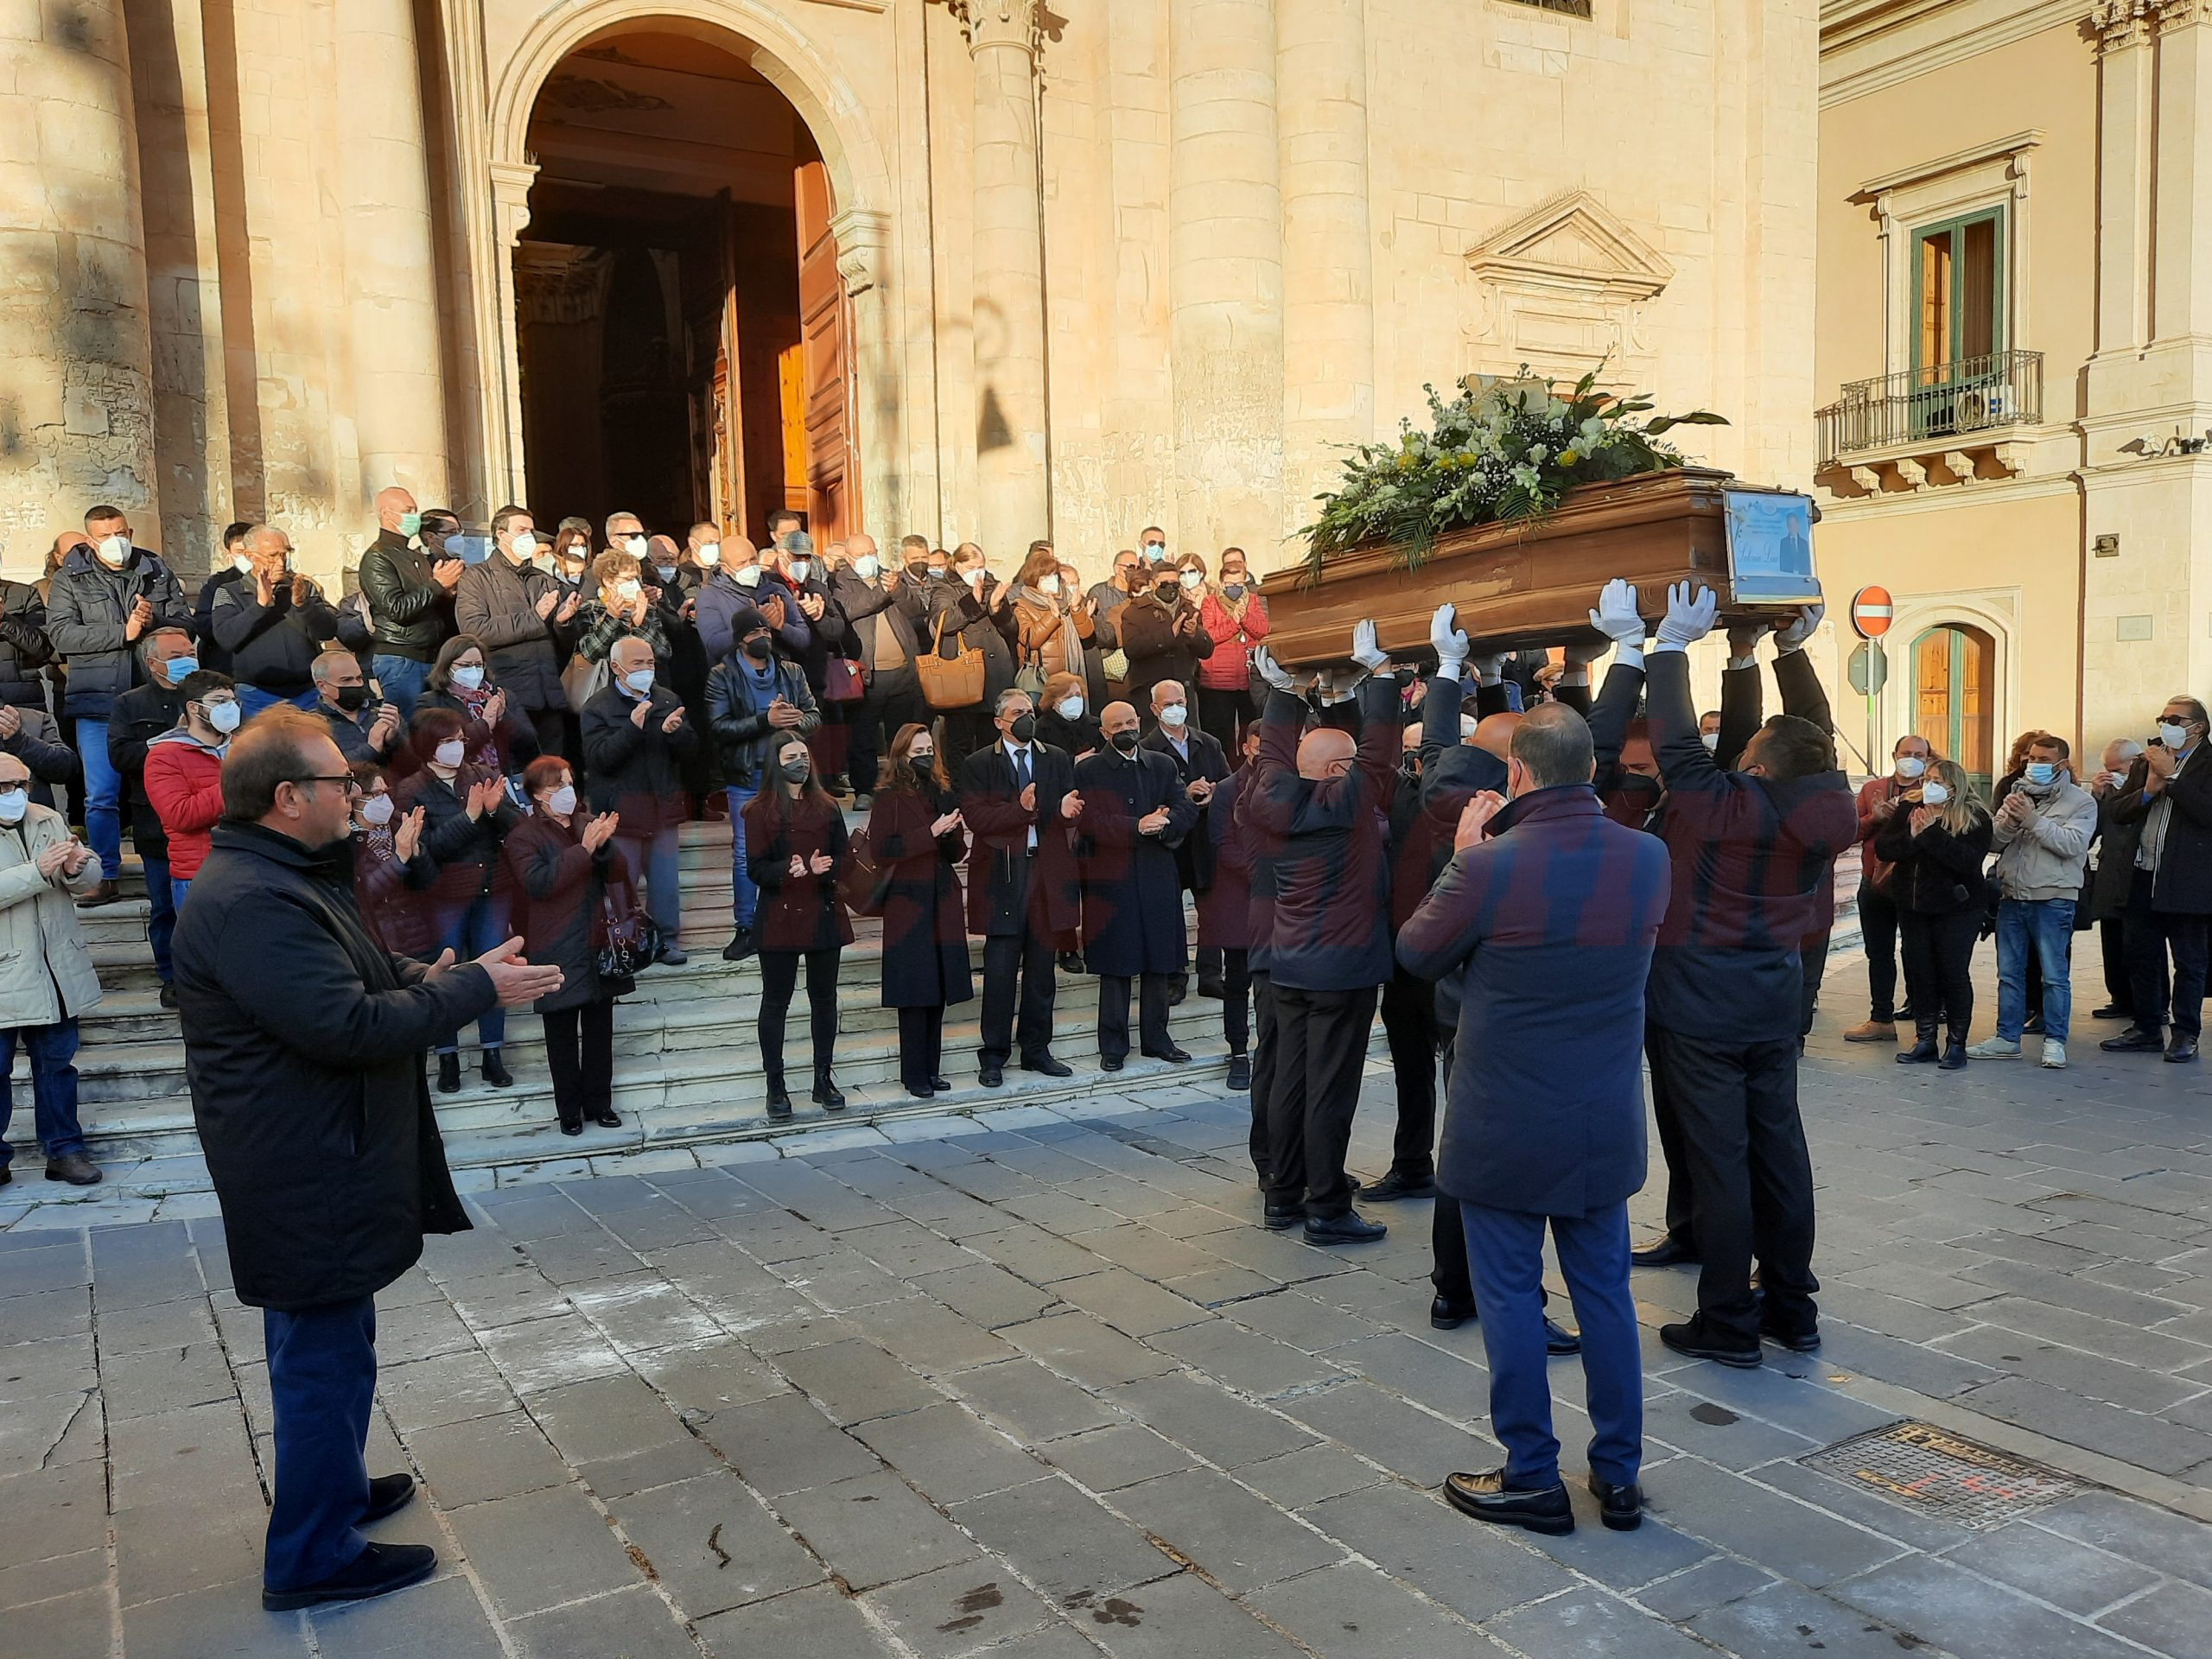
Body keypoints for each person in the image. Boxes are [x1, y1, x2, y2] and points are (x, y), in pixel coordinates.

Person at [174, 708, 558, 1611]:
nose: (357, 793)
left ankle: (335, 1493)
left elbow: (353, 969)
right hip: (301, 1163)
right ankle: (310, 1559)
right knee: (320, 1359)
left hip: (319, 1150)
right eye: (340, 783)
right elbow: (341, 1025)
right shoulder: (253, 898)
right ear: (286, 797)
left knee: (337, 1346)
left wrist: (430, 976)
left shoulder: (285, 876)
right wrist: (474, 991)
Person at [1398, 703, 1669, 1536]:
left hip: (1505, 1118)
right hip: (1601, 1115)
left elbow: (1415, 953)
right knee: (1608, 1297)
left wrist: (1458, 859)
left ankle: (1531, 1476)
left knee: (1511, 1297)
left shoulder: (1489, 867)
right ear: (1590, 770)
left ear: (1516, 773)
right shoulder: (1648, 855)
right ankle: (1619, 1477)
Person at [1637, 582, 1854, 1368]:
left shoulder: (1722, 808)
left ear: (1756, 766)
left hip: (1700, 1000)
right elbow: (1812, 735)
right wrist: (1764, 654)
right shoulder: (1825, 805)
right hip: (1772, 996)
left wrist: (1667, 647)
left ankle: (1728, 1320)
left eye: (1749, 747)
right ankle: (1792, 1306)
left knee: (1719, 1163)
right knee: (1780, 1153)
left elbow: (1678, 749)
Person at [1247, 626, 1402, 1244]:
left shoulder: (1269, 796)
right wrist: (1383, 676)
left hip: (1288, 962)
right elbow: (1382, 757)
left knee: (1289, 1082)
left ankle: (1281, 1196)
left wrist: (1284, 693)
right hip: (1342, 970)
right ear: (1338, 770)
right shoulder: (1347, 804)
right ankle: (1328, 1209)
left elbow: (1272, 757)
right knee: (1329, 1094)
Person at [45, 505, 193, 903]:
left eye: (121, 532)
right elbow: (61, 636)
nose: (116, 541)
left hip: (156, 696)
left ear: (128, 529)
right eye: (105, 535)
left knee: (169, 783)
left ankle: (174, 864)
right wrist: (122, 632)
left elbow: (187, 623)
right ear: (90, 540)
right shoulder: (69, 577)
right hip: (97, 698)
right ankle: (104, 873)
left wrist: (153, 619)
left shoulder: (155, 568)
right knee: (102, 794)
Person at [958, 687, 1083, 1086]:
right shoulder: (980, 763)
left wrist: (1063, 814)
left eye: (1029, 710)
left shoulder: (1055, 758)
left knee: (1042, 972)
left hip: (1045, 875)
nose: (1025, 717)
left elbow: (1067, 812)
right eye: (1017, 712)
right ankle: (993, 1056)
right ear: (999, 722)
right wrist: (1022, 810)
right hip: (1002, 878)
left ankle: (1036, 1050)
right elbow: (978, 818)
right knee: (999, 973)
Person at [395, 708, 524, 1092]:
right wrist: (468, 818)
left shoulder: (482, 775)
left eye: (459, 740)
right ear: (427, 746)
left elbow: (519, 826)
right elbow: (426, 849)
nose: (456, 747)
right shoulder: (411, 789)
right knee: (444, 972)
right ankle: (447, 1055)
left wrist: (494, 810)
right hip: (444, 895)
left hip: (493, 887)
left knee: (494, 966)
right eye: (446, 741)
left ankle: (492, 1053)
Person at [505, 756, 632, 1134]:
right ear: (538, 794)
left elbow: (621, 873)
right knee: (560, 1034)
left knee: (599, 1029)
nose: (567, 793)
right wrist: (584, 851)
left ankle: (600, 1103)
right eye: (558, 786)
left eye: (570, 783)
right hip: (555, 943)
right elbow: (539, 883)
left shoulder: (585, 821)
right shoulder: (523, 836)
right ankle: (569, 1110)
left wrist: (605, 846)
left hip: (597, 939)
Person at [0, 750, 105, 1188]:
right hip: (6, 972)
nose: (14, 795)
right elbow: (33, 878)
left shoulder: (47, 817)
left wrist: (78, 869)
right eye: (4, 787)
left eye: (20, 785)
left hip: (56, 968)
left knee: (58, 1066)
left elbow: (87, 874)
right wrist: (38, 872)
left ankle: (65, 1150)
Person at [1077, 701, 1198, 1070]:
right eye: (1118, 724)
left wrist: (1166, 822)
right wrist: (1135, 826)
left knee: (1159, 962)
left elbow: (1185, 808)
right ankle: (1113, 1047)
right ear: (1104, 732)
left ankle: (1157, 1040)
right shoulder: (1090, 770)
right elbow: (1091, 822)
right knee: (1116, 966)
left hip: (1157, 873)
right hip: (1110, 880)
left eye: (1131, 721)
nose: (1127, 728)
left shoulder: (1161, 764)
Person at [1968, 734, 2094, 1067]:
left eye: (2042, 760)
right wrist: (2010, 821)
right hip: (2013, 895)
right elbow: (1994, 843)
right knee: (2009, 973)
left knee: (2054, 975)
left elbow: (2072, 846)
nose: (2033, 765)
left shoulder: (2081, 802)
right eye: (2031, 759)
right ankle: (2007, 1038)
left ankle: (2055, 1041)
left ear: (2061, 764)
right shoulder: (2017, 792)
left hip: (2053, 899)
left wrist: (2032, 820)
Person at [742, 735, 851, 1117]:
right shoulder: (758, 810)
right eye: (792, 758)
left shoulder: (827, 805)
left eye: (805, 756)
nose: (801, 763)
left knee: (825, 999)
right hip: (780, 912)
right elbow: (755, 868)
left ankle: (823, 1078)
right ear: (776, 763)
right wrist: (788, 871)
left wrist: (827, 869)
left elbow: (844, 857)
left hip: (822, 909)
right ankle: (776, 1086)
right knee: (776, 1001)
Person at [706, 606, 819, 963]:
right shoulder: (721, 675)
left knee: (795, 845)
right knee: (744, 854)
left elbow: (815, 715)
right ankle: (747, 927)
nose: (764, 638)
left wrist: (796, 721)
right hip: (747, 776)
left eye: (767, 632)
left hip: (791, 776)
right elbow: (719, 728)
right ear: (741, 640)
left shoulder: (792, 672)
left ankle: (793, 921)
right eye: (755, 634)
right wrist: (764, 720)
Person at [2104, 696, 2212, 1061]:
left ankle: (2185, 1033)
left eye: (2175, 719)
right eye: (2162, 718)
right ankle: (2147, 1027)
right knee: (2139, 955)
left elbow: (2206, 814)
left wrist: (2175, 777)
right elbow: (2117, 810)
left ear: (2197, 727)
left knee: (2189, 960)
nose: (2165, 725)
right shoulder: (2146, 760)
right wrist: (2149, 790)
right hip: (2141, 874)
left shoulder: (2208, 763)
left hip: (2187, 880)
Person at [580, 636, 695, 965]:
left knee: (665, 885)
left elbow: (691, 752)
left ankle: (667, 940)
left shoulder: (668, 699)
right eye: (638, 664)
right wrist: (631, 729)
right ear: (616, 668)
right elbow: (599, 760)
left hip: (662, 807)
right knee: (622, 884)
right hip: (621, 813)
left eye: (650, 663)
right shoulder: (597, 707)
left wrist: (678, 733)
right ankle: (626, 944)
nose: (646, 669)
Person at [870, 723, 971, 1097]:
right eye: (918, 751)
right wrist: (929, 833)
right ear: (902, 756)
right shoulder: (889, 796)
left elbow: (955, 852)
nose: (926, 755)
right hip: (907, 901)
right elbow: (882, 850)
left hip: (941, 896)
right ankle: (913, 1072)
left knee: (939, 985)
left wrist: (951, 834)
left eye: (930, 749)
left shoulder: (943, 792)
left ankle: (932, 1068)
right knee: (915, 988)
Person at [1875, 757, 1993, 1069]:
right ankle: (1924, 1039)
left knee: (1952, 973)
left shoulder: (1974, 816)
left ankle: (1956, 1044)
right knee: (1920, 972)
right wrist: (1913, 835)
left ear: (1954, 788)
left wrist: (1929, 833)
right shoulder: (1909, 808)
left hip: (1958, 908)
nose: (1929, 785)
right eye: (1927, 778)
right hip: (1913, 905)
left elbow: (1966, 861)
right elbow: (1885, 849)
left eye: (1937, 781)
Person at [454, 506, 582, 760]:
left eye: (530, 531)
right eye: (521, 530)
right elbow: (475, 631)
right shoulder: (476, 578)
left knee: (552, 771)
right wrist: (535, 617)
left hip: (548, 695)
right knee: (515, 771)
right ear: (501, 535)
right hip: (507, 695)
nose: (529, 537)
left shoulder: (544, 579)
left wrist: (563, 623)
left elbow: (564, 645)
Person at [110, 629, 195, 1005]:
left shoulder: (210, 696)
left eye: (190, 652)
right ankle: (172, 975)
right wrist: (165, 742)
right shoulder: (129, 704)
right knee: (165, 906)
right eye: (177, 654)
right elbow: (120, 757)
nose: (187, 659)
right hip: (155, 822)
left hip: (209, 818)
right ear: (153, 662)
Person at [211, 524, 371, 717]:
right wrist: (260, 606)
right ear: (251, 556)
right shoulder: (229, 592)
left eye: (285, 554)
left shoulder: (303, 587)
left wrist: (304, 605)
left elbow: (328, 631)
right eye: (273, 556)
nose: (281, 562)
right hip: (257, 694)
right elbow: (226, 638)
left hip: (307, 693)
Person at [1141, 677, 1231, 1001]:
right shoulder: (1147, 749)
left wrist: (1213, 792)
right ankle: (1174, 978)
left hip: (1205, 837)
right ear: (1154, 709)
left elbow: (1227, 783)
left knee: (1211, 910)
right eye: (1168, 705)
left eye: (1180, 702)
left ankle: (1210, 974)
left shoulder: (1209, 743)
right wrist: (1185, 794)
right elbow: (1146, 798)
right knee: (1170, 913)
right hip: (1169, 842)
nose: (1176, 709)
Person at [1842, 734, 1934, 1044]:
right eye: (1906, 752)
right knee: (1878, 953)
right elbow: (1851, 832)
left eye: (1918, 754)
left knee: (1917, 952)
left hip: (1915, 884)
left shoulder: (1933, 790)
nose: (1911, 758)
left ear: (1927, 757)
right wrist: (1875, 817)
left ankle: (1925, 1021)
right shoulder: (1873, 790)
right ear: (1894, 754)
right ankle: (1881, 1018)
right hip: (1874, 883)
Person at [831, 532, 928, 802]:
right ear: (849, 558)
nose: (868, 559)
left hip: (903, 672)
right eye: (861, 555)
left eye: (871, 553)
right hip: (867, 674)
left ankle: (904, 788)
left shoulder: (891, 576)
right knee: (864, 735)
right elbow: (851, 610)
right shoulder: (841, 582)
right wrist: (883, 592)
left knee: (903, 735)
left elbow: (917, 610)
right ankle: (865, 790)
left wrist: (897, 589)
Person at [357, 486, 461, 721]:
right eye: (408, 510)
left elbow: (429, 605)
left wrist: (447, 593)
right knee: (407, 731)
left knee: (436, 730)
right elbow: (396, 609)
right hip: (402, 660)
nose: (415, 516)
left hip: (431, 656)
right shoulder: (377, 557)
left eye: (415, 509)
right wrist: (437, 585)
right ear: (387, 514)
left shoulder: (415, 556)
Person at [143, 670, 239, 912]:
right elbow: (180, 815)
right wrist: (239, 785)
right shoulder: (164, 756)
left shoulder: (245, 748)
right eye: (219, 702)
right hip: (199, 876)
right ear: (193, 708)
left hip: (248, 868)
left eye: (232, 702)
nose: (229, 708)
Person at [1198, 724, 1261, 1091]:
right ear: (1245, 747)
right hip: (1240, 900)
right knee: (1237, 982)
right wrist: (1263, 870)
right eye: (1258, 747)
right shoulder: (1226, 789)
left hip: (1280, 903)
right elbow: (1221, 843)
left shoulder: (1288, 782)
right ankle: (1238, 1052)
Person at [416, 633, 539, 779]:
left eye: (478, 665)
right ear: (447, 666)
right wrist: (485, 723)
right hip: (460, 784)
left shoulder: (501, 697)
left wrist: (503, 717)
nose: (473, 670)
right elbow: (439, 751)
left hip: (505, 781)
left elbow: (530, 744)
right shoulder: (431, 702)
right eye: (465, 665)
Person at [2084, 739, 2145, 1025]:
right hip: (2109, 875)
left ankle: (2146, 1002)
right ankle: (2119, 997)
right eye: (2106, 769)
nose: (2111, 774)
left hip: (2137, 874)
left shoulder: (2148, 789)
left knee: (2140, 944)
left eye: (2116, 769)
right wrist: (2096, 795)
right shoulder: (2107, 794)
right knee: (2112, 940)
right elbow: (2090, 834)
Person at [347, 763, 435, 962]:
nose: (384, 800)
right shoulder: (345, 842)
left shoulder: (398, 825)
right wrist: (399, 860)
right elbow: (362, 895)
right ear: (355, 800)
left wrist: (417, 853)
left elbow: (429, 884)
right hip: (384, 945)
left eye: (385, 792)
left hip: (418, 935)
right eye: (376, 794)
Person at [1116, 556, 1216, 715]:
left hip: (1184, 692)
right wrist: (1168, 635)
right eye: (1164, 584)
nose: (1170, 588)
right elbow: (1131, 648)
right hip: (1149, 694)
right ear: (1152, 584)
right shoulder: (1135, 612)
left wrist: (1195, 635)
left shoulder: (1189, 610)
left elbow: (1207, 651)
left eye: (1175, 584)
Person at [696, 534, 810, 664]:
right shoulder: (709, 596)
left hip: (779, 675)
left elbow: (804, 640)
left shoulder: (778, 590)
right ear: (725, 568)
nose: (750, 566)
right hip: (735, 679)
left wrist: (781, 627)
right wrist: (751, 624)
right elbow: (714, 646)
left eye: (753, 559)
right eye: (741, 563)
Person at [1196, 548, 1268, 743]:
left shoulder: (1253, 601)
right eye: (1229, 584)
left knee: (1251, 731)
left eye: (1238, 584)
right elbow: (1209, 635)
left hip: (1248, 679)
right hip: (1218, 681)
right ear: (1221, 583)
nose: (1234, 588)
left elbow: (1263, 630)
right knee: (1220, 734)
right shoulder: (1210, 603)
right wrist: (1234, 622)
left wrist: (1244, 617)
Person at [575, 549, 671, 670]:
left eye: (636, 578)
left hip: (644, 680)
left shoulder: (644, 608)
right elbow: (589, 654)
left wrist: (640, 624)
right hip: (607, 682)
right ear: (608, 581)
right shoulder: (589, 610)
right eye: (628, 579)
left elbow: (664, 653)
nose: (634, 584)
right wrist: (611, 618)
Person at [312, 649, 404, 766]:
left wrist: (394, 739)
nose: (356, 684)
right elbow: (329, 769)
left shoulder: (382, 714)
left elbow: (412, 764)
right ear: (323, 686)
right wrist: (371, 748)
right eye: (346, 680)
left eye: (359, 678)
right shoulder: (314, 726)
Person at [191, 521, 252, 675]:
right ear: (229, 553)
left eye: (249, 551)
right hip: (227, 664)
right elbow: (203, 624)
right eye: (239, 552)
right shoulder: (217, 584)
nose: (246, 557)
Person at [1037, 671, 1099, 760]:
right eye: (1068, 697)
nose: (1074, 700)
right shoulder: (1040, 729)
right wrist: (1075, 761)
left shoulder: (1096, 724)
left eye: (1078, 695)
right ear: (1053, 702)